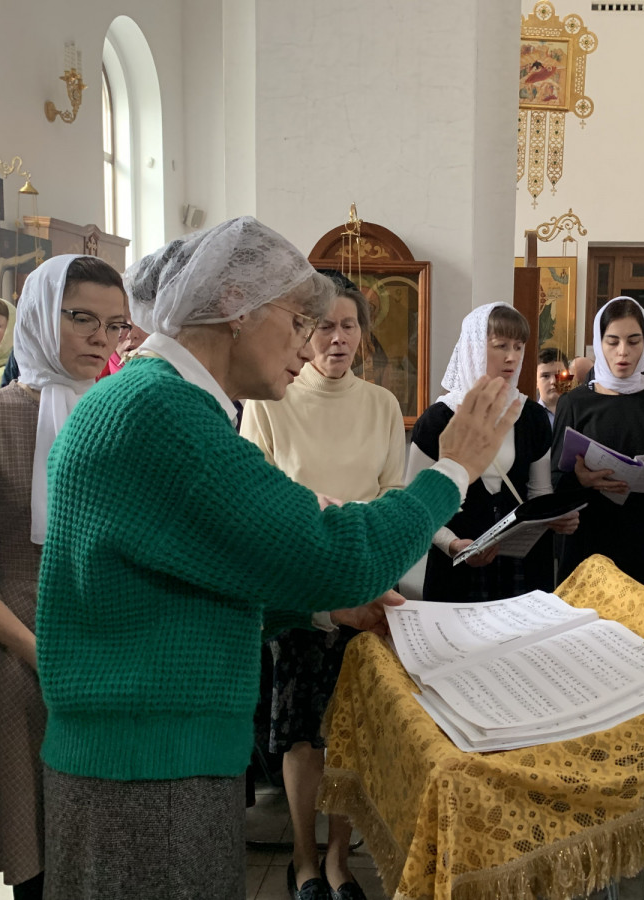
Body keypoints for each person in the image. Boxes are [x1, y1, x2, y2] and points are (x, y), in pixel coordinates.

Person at [34, 217, 521, 900]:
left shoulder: (150, 399)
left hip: (145, 755)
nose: (309, 344)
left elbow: (188, 577)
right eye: (299, 321)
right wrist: (452, 473)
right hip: (147, 768)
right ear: (236, 304)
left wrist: (320, 607)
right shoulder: (162, 412)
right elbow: (341, 553)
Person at [0, 254, 129, 899]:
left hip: (111, 657)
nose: (101, 337)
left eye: (116, 324)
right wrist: (41, 654)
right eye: (82, 318)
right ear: (43, 315)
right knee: (39, 864)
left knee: (107, 852)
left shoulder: (122, 417)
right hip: (21, 661)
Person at [239, 271, 405, 899]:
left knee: (353, 732)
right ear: (302, 333)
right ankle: (304, 860)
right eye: (325, 326)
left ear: (363, 333)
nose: (338, 339)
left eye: (350, 325)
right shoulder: (268, 401)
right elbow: (256, 494)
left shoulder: (382, 406)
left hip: (367, 585)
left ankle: (339, 860)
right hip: (300, 592)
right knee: (302, 730)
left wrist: (363, 546)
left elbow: (393, 496)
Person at [409, 303, 576, 603]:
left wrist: (556, 516)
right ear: (473, 348)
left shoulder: (532, 417)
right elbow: (414, 505)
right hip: (457, 568)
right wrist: (453, 544)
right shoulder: (437, 420)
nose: (512, 357)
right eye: (500, 346)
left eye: (518, 346)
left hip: (522, 567)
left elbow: (539, 493)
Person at [552, 296, 644, 594]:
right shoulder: (574, 403)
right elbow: (554, 479)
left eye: (634, 341)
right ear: (599, 344)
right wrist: (579, 478)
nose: (623, 352)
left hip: (641, 535)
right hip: (587, 534)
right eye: (612, 342)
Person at [535, 346, 568, 427]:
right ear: (536, 382)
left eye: (560, 375)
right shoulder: (529, 416)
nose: (553, 381)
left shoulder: (578, 413)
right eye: (546, 376)